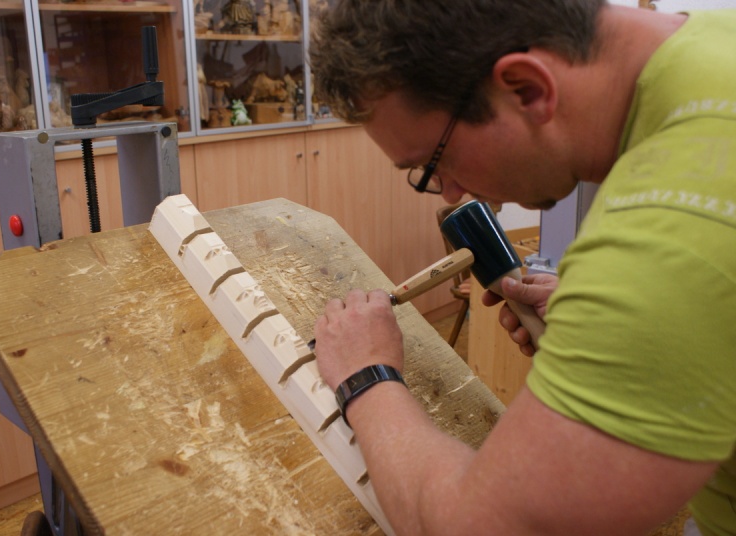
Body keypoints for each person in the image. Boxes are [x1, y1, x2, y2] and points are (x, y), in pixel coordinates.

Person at [309, 1, 736, 535]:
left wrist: (365, 374)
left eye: (435, 163)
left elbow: (478, 527)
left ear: (527, 89)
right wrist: (621, 333)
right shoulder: (716, 40)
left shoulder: (666, 241)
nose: (451, 193)